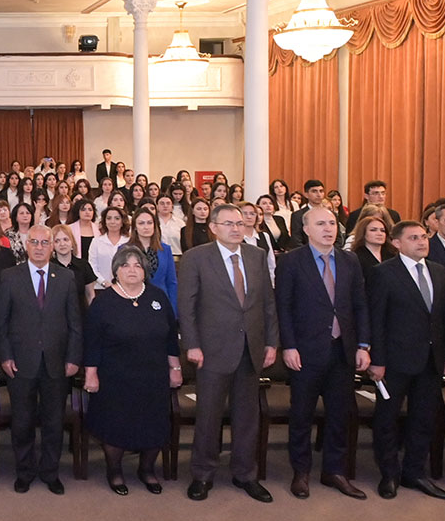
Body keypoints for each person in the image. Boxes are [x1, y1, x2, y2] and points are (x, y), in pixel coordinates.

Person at [179, 205, 278, 503]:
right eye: (228, 223)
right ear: (213, 227)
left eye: (240, 223)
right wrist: (192, 344)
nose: (236, 228)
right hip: (211, 350)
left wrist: (271, 343)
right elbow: (187, 306)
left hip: (251, 347)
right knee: (208, 415)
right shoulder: (196, 257)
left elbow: (268, 303)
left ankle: (245, 473)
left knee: (247, 416)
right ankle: (203, 474)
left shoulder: (256, 255)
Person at [275, 205, 369, 500]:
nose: (329, 229)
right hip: (305, 351)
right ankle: (301, 472)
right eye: (321, 224)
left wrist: (363, 345)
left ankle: (334, 471)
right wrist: (289, 346)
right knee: (301, 415)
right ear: (306, 229)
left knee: (339, 415)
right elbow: (283, 307)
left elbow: (360, 305)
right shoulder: (291, 261)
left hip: (342, 350)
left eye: (332, 223)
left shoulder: (350, 260)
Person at [366, 221, 445, 500]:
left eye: (424, 236)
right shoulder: (383, 273)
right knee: (387, 419)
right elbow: (376, 319)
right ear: (396, 243)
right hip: (394, 360)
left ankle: (415, 472)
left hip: (431, 359)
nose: (422, 242)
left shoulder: (439, 272)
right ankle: (389, 473)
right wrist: (377, 360)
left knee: (424, 418)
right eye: (414, 238)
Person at [83, 246, 182, 495]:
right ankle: (115, 471)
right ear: (116, 270)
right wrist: (90, 373)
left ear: (145, 271)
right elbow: (92, 341)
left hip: (153, 375)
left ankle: (146, 470)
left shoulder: (158, 297)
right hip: (115, 378)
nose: (132, 270)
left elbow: (171, 337)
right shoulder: (103, 302)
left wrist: (175, 368)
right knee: (115, 424)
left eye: (137, 265)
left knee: (153, 423)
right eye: (125, 265)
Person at [0, 226, 83, 495]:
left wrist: (73, 357)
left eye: (45, 242)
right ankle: (24, 472)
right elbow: (1, 322)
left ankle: (50, 472)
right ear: (26, 245)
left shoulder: (66, 277)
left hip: (57, 362)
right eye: (34, 242)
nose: (39, 247)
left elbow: (75, 322)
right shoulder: (10, 276)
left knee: (53, 422)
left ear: (52, 246)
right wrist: (5, 356)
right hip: (20, 362)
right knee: (22, 422)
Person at [128, 208, 178, 311]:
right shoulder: (125, 250)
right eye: (141, 223)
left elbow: (171, 282)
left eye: (149, 223)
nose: (146, 227)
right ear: (135, 227)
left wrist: (173, 310)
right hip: (132, 302)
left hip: (160, 301)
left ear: (155, 226)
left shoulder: (165, 250)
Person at [86, 206, 131, 289]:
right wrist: (103, 282)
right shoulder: (96, 242)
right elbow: (92, 266)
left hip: (125, 288)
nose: (112, 221)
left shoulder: (129, 242)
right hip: (101, 288)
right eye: (109, 218)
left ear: (122, 222)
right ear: (105, 222)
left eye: (117, 218)